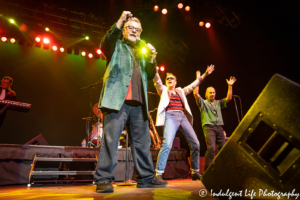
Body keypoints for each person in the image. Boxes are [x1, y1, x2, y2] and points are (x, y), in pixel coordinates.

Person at [94, 11, 167, 193]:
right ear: (124, 30)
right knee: (110, 141)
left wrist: (152, 58)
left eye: (138, 29)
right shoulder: (116, 45)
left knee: (142, 143)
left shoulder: (142, 51)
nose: (135, 31)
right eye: (131, 28)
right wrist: (119, 20)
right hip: (116, 101)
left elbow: (150, 74)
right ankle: (103, 179)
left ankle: (146, 178)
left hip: (139, 104)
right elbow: (105, 43)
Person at [154, 65, 215, 180]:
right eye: (167, 79)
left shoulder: (181, 91)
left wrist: (206, 74)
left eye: (171, 78)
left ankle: (195, 171)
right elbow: (157, 82)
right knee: (167, 144)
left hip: (182, 116)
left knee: (196, 144)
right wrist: (156, 70)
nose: (169, 80)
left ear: (176, 82)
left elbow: (193, 85)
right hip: (171, 116)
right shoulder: (164, 91)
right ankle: (159, 173)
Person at [193, 73, 236, 171]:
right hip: (209, 127)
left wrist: (230, 85)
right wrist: (198, 80)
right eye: (210, 93)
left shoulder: (218, 103)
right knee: (211, 148)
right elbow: (195, 94)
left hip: (219, 127)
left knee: (223, 148)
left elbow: (229, 98)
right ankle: (208, 170)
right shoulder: (203, 103)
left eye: (213, 92)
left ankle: (223, 169)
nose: (212, 94)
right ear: (206, 94)